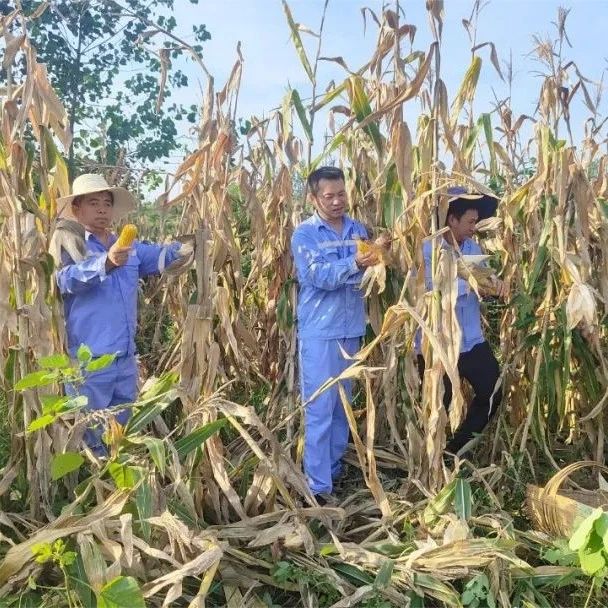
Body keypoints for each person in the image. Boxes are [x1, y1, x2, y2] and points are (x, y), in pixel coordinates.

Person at [51, 173, 192, 455]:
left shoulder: (130, 247)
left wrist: (188, 247)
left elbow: (160, 256)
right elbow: (64, 280)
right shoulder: (71, 244)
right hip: (88, 360)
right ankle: (93, 491)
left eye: (106, 203)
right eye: (94, 203)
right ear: (77, 209)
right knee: (89, 435)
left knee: (121, 432)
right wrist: (107, 262)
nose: (102, 209)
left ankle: (119, 487)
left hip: (125, 358)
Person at [291, 166, 379, 503]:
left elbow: (371, 269)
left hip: (351, 329)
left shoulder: (357, 229)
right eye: (329, 196)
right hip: (320, 332)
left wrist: (380, 253)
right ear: (313, 198)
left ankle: (334, 471)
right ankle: (317, 489)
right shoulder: (305, 235)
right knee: (319, 409)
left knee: (342, 407)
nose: (338, 201)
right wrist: (356, 263)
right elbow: (316, 277)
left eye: (341, 193)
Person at [418, 187, 507, 456]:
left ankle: (455, 451)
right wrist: (472, 284)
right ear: (451, 219)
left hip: (471, 339)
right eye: (470, 221)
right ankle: (429, 462)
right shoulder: (426, 249)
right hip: (437, 342)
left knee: (493, 391)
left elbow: (481, 280)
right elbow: (432, 291)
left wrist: (494, 288)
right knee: (438, 405)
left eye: (477, 221)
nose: (474, 227)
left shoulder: (472, 247)